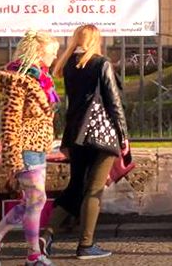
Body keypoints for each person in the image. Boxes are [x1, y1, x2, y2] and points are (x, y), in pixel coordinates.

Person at [0, 29, 62, 266]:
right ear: (39, 52)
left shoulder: (39, 78)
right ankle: (33, 255)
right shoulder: (18, 81)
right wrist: (13, 159)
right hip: (25, 148)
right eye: (52, 52)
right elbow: (10, 121)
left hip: (38, 146)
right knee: (36, 200)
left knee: (31, 201)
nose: (54, 57)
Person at [44, 24, 129, 260]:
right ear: (96, 40)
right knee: (93, 190)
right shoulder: (101, 63)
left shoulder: (70, 64)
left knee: (75, 186)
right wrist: (123, 136)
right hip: (101, 135)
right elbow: (113, 103)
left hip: (76, 134)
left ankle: (46, 234)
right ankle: (86, 245)